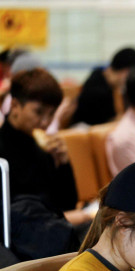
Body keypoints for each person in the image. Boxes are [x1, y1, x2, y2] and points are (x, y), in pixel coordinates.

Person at [0, 67, 93, 226]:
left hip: (53, 229)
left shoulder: (43, 148)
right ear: (15, 106)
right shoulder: (3, 153)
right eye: (38, 112)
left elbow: (68, 203)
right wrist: (83, 217)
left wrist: (64, 163)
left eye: (51, 114)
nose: (45, 122)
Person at [71, 47, 135, 126]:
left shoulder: (107, 81)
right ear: (125, 72)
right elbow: (112, 120)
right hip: (84, 130)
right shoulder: (98, 90)